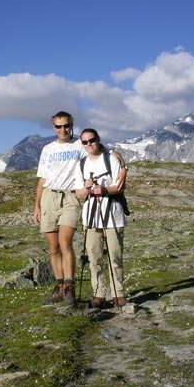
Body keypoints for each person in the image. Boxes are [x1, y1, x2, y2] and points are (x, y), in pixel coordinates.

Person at [34, 112, 126, 305]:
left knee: (65, 242)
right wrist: (36, 205)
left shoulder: (81, 144)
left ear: (71, 125)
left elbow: (106, 152)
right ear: (53, 128)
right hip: (49, 196)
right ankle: (59, 286)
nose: (62, 130)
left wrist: (124, 166)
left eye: (66, 125)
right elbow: (42, 178)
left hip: (70, 197)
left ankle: (69, 286)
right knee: (53, 247)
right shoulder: (48, 149)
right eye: (58, 126)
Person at [74, 128, 128, 308]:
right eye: (85, 142)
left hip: (112, 213)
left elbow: (119, 187)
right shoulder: (81, 164)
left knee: (115, 254)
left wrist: (104, 190)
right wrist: (87, 187)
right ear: (82, 144)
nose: (89, 144)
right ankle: (98, 293)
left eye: (92, 140)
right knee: (94, 255)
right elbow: (78, 194)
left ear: (98, 139)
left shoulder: (110, 159)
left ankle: (118, 293)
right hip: (90, 216)